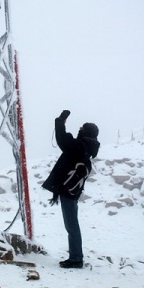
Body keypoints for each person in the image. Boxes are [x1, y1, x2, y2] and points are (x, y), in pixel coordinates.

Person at [42, 110, 100, 269]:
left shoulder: (80, 146)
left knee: (71, 225)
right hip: (73, 191)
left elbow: (62, 140)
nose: (79, 130)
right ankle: (75, 257)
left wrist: (60, 121)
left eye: (81, 129)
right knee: (72, 224)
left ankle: (76, 258)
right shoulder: (87, 148)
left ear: (86, 132)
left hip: (69, 191)